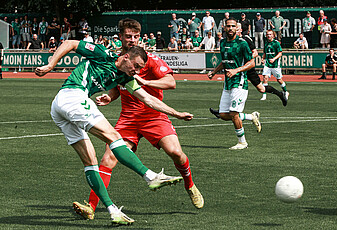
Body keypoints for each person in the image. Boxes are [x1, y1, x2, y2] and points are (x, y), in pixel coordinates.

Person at [35, 38, 193, 224]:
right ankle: (150, 176)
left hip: (60, 107)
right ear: (126, 57)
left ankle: (112, 211)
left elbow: (149, 99)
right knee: (115, 137)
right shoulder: (103, 54)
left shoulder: (124, 78)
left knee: (91, 162)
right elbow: (70, 43)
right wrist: (50, 65)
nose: (137, 71)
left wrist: (176, 113)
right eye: (135, 66)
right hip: (73, 96)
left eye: (140, 68)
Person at [72, 18, 204, 220]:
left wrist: (144, 80)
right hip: (128, 119)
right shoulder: (116, 59)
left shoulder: (148, 59)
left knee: (176, 153)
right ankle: (90, 206)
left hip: (154, 116)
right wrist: (110, 96)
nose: (132, 40)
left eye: (135, 37)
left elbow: (171, 82)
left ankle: (190, 185)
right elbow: (117, 87)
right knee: (108, 159)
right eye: (128, 36)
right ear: (121, 37)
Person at [210, 22, 287, 121]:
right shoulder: (228, 41)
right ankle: (222, 111)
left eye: (237, 29)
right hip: (235, 70)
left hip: (247, 68)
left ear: (240, 30)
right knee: (230, 87)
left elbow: (255, 53)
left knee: (262, 89)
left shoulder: (245, 40)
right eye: (234, 28)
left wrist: (245, 56)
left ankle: (280, 94)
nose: (235, 30)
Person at [207, 18, 259, 150]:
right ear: (224, 28)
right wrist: (214, 72)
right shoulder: (223, 42)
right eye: (228, 26)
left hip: (239, 82)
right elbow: (224, 61)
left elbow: (252, 63)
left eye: (233, 26)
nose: (230, 28)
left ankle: (242, 142)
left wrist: (236, 70)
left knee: (234, 113)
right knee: (223, 115)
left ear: (237, 28)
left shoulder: (242, 43)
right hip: (227, 83)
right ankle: (250, 116)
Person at [261, 30, 289, 101]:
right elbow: (265, 52)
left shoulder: (276, 43)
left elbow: (280, 53)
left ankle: (285, 92)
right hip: (267, 64)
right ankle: (264, 95)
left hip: (275, 64)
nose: (268, 36)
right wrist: (263, 58)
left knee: (279, 80)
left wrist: (274, 59)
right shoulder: (266, 43)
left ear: (273, 35)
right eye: (267, 34)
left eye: (270, 34)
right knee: (265, 78)